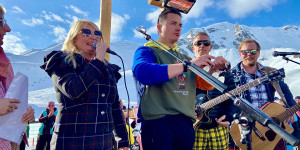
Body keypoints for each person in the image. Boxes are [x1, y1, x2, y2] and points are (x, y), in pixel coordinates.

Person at [132, 8, 215, 150]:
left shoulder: (184, 57)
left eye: (180, 25)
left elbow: (204, 84)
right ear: (159, 28)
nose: (178, 28)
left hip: (185, 123)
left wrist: (213, 69)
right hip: (158, 122)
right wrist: (185, 66)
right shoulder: (147, 51)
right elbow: (143, 72)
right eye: (173, 23)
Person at [40, 20, 129, 150]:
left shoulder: (108, 69)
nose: (93, 37)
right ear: (74, 38)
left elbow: (114, 107)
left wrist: (123, 141)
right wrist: (98, 60)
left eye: (97, 33)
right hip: (72, 142)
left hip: (103, 143)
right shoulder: (62, 61)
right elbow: (73, 90)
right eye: (86, 32)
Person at [230, 39, 296, 150]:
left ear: (259, 53)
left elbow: (285, 90)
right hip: (246, 128)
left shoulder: (270, 72)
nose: (249, 54)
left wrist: (291, 108)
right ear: (240, 54)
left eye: (253, 51)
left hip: (271, 128)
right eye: (245, 52)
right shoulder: (231, 75)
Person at [192, 32, 238, 150]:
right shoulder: (186, 69)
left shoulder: (222, 70)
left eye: (206, 43)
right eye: (198, 43)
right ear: (193, 48)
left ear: (210, 47)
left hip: (218, 127)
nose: (202, 45)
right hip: (193, 128)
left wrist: (228, 117)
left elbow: (234, 94)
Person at [0, 4, 35, 150]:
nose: (8, 28)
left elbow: (9, 101)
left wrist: (23, 112)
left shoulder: (4, 64)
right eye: (1, 21)